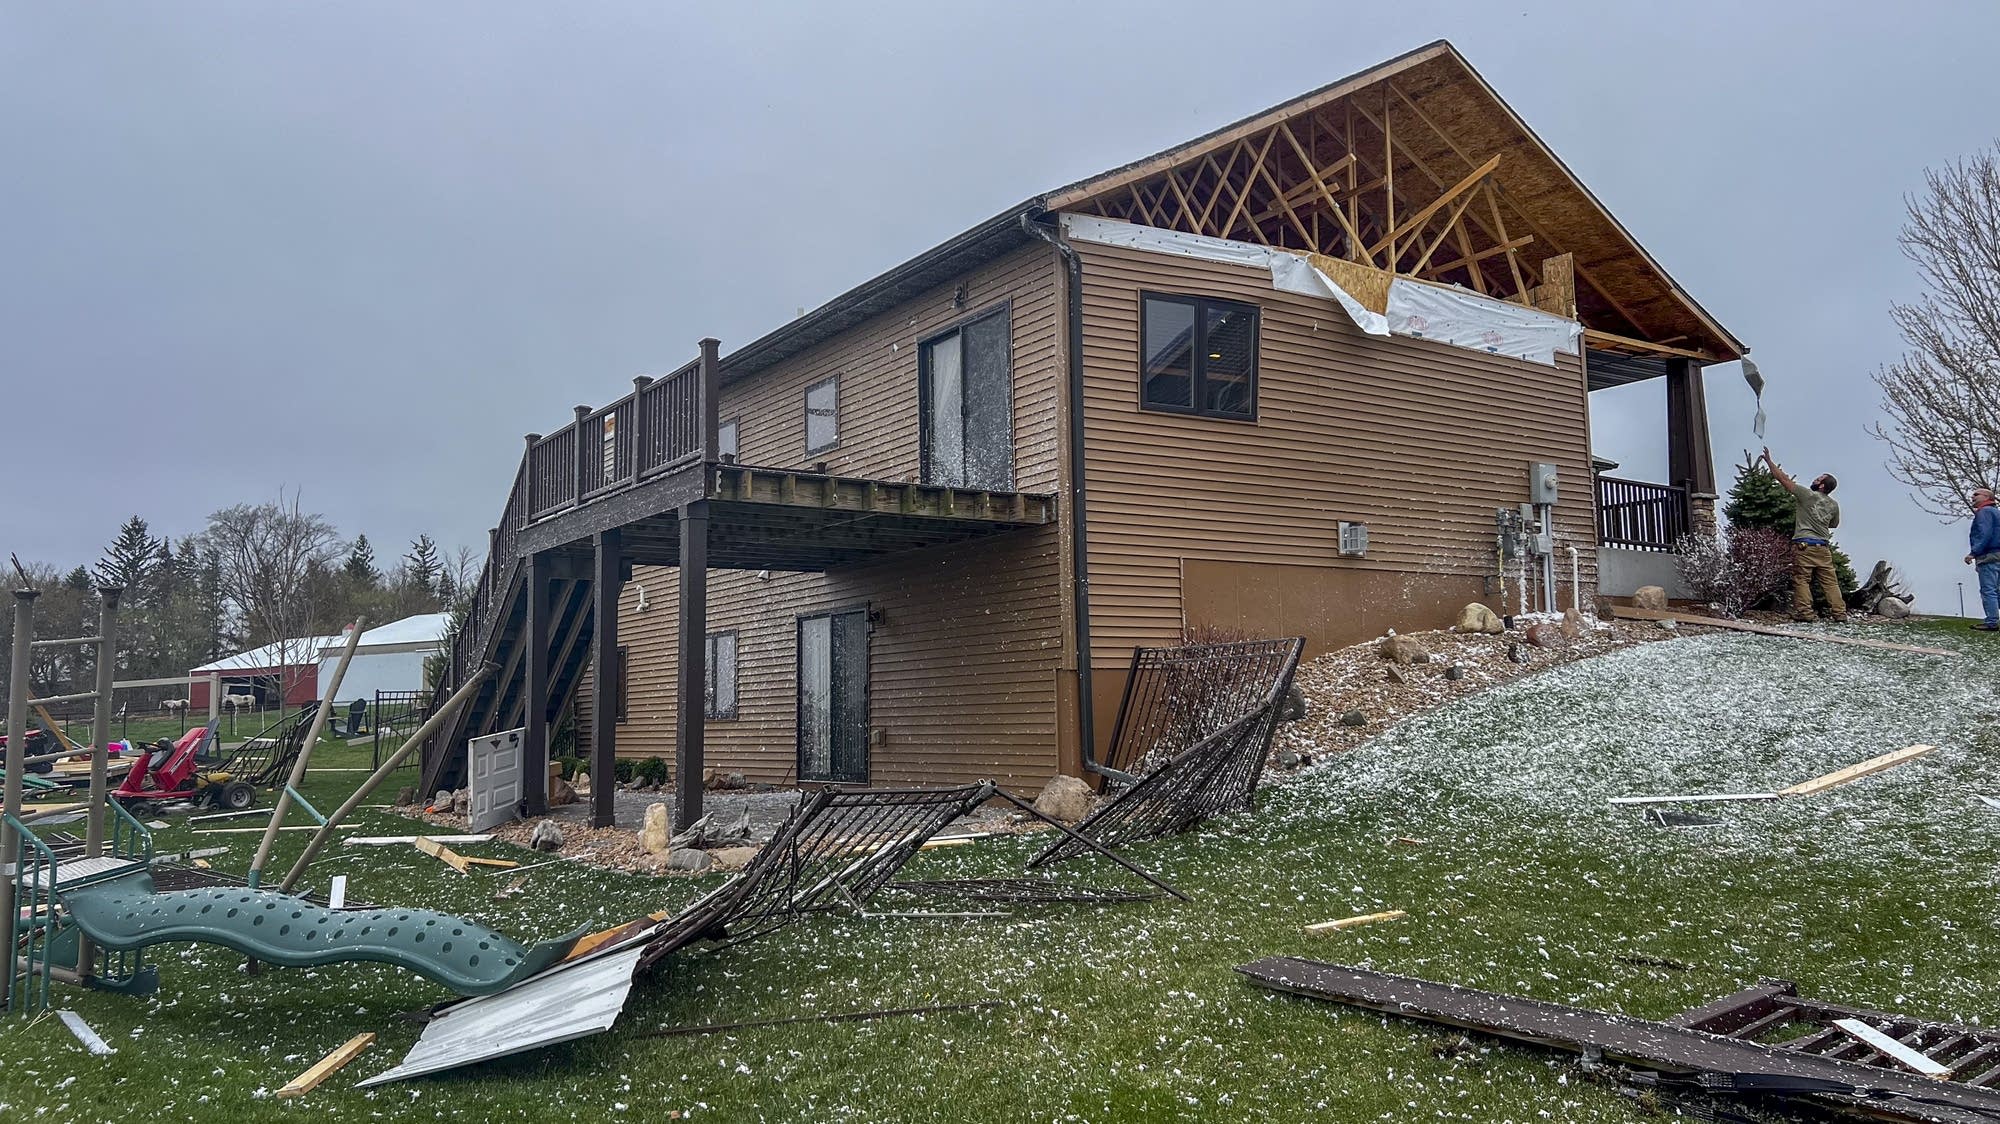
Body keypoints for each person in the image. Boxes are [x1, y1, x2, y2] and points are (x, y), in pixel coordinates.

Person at [1761, 447, 1845, 622]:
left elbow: (1783, 479)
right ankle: (1839, 614)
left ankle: (1805, 614)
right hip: (1823, 547)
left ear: (1821, 486)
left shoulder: (1807, 495)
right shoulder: (1834, 505)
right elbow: (1834, 524)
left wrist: (1769, 461)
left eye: (1817, 479)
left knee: (1801, 579)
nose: (1814, 480)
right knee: (1830, 582)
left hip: (1804, 546)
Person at [1965, 486, 2000, 631]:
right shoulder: (1996, 512)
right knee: (1997, 590)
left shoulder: (1984, 512)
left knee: (1989, 590)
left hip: (1989, 555)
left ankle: (1991, 622)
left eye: (1976, 494)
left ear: (1987, 497)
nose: (1972, 497)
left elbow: (1984, 534)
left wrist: (1973, 553)